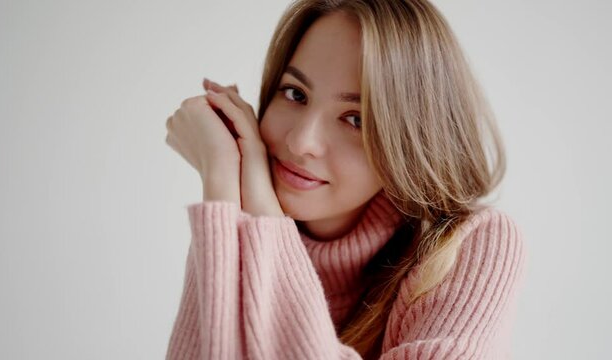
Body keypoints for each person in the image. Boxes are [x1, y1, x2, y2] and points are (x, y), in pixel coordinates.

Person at [164, 0, 527, 359]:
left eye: (357, 119)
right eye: (295, 93)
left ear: (414, 139)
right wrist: (224, 181)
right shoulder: (238, 221)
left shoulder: (470, 245)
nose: (301, 141)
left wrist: (258, 214)